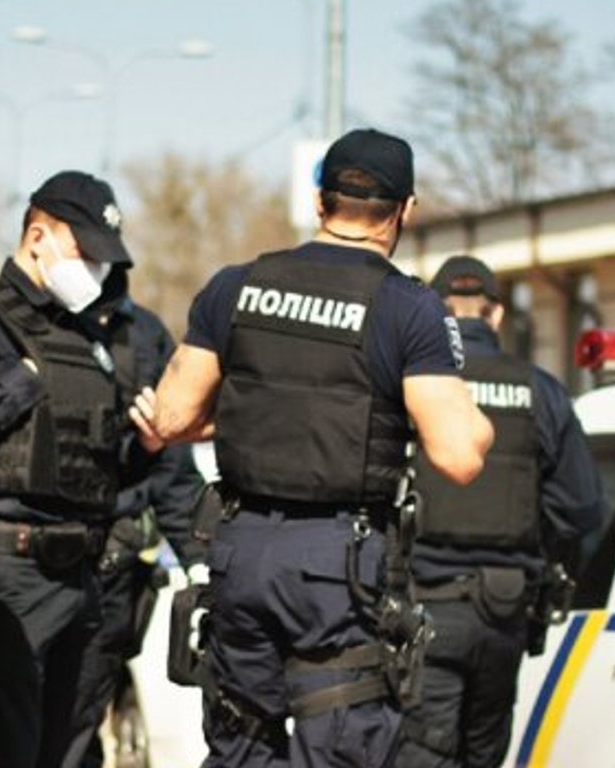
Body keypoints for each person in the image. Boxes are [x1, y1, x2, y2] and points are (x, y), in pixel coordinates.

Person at [130, 128, 494, 767]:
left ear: (319, 199)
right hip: (337, 567)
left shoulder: (236, 286)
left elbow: (171, 416)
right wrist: (476, 423)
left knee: (242, 744)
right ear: (405, 211)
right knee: (341, 745)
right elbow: (459, 457)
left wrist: (250, 416)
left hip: (240, 552)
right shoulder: (410, 309)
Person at [0, 170, 164, 768]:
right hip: (10, 566)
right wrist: (20, 383)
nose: (95, 269)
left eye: (103, 258)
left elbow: (93, 465)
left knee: (73, 747)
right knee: (7, 747)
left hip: (84, 570)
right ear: (37, 236)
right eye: (83, 252)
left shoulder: (85, 335)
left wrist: (144, 446)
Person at [392, 255, 607, 768]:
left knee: (421, 751)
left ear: (437, 313)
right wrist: (534, 541)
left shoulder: (413, 387)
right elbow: (582, 508)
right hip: (505, 610)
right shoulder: (541, 391)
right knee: (484, 754)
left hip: (424, 606)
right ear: (496, 315)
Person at [64, 232, 207, 768]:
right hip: (22, 565)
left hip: (110, 569)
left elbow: (174, 473)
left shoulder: (142, 337)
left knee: (78, 728)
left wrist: (201, 563)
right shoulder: (12, 319)